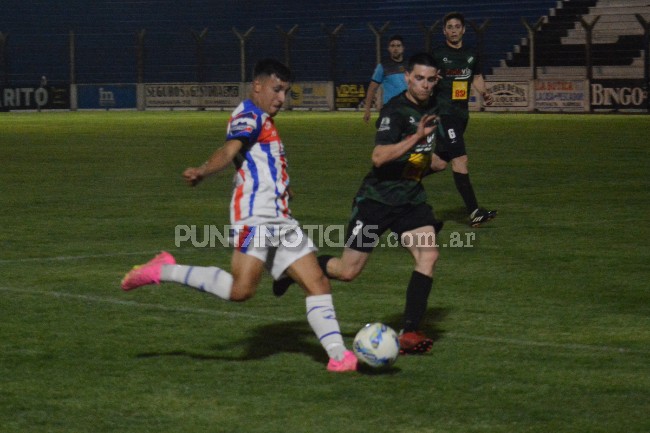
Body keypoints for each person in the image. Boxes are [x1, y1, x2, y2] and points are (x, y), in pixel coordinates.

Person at [120, 58, 357, 373]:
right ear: (257, 86)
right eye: (276, 90)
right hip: (256, 216)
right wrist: (204, 170)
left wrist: (283, 188)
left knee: (318, 284)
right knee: (241, 290)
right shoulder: (249, 114)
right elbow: (230, 150)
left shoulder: (264, 119)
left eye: (286, 92)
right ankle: (164, 270)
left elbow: (260, 163)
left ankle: (340, 357)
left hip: (280, 218)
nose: (281, 99)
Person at [275, 53, 442, 355]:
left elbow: (423, 156)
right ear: (407, 77)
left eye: (431, 79)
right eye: (419, 78)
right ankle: (291, 268)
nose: (424, 85)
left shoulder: (433, 107)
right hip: (375, 203)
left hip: (410, 202)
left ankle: (409, 331)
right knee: (347, 271)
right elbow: (379, 158)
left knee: (428, 255)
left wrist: (434, 161)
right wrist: (417, 139)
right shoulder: (395, 111)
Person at [430, 11, 497, 227]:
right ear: (444, 31)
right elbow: (424, 78)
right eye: (449, 27)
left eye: (457, 26)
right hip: (444, 114)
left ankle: (400, 177)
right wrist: (432, 79)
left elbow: (476, 77)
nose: (453, 30)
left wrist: (484, 93)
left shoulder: (471, 54)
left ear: (463, 30)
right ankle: (474, 211)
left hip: (461, 115)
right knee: (461, 159)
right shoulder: (437, 54)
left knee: (439, 163)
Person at [362, 34, 408, 123]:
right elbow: (372, 88)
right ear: (389, 49)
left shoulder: (410, 65)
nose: (395, 48)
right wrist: (367, 110)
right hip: (390, 109)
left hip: (407, 108)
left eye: (398, 46)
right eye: (392, 46)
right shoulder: (383, 66)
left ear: (403, 48)